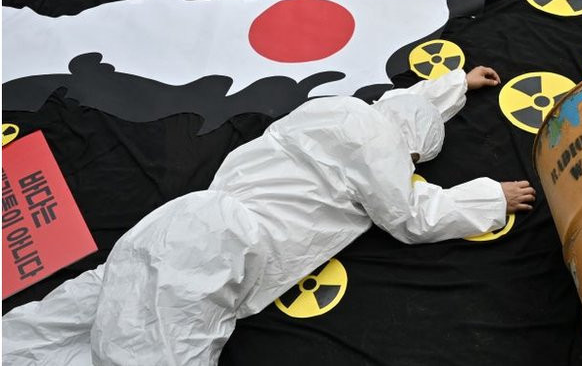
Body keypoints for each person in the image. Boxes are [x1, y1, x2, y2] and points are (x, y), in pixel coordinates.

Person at [2, 66, 536, 365]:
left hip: (180, 221)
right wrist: (489, 200)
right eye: (414, 158)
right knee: (150, 355)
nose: (410, 166)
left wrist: (455, 84)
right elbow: (411, 216)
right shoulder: (383, 149)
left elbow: (408, 107)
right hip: (223, 249)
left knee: (74, 316)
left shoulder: (333, 109)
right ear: (408, 146)